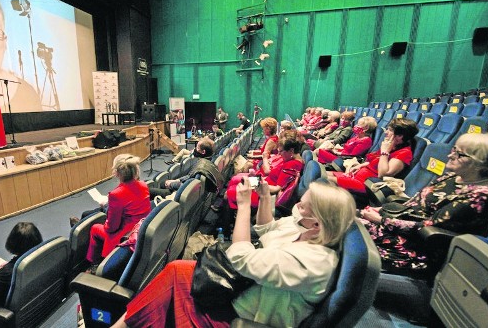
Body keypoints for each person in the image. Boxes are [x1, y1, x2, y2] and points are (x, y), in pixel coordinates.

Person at [110, 180, 356, 328]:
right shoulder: (305, 228)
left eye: (303, 206)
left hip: (244, 319)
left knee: (170, 289)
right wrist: (264, 198)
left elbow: (241, 257)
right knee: (177, 269)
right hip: (244, 294)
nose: (296, 208)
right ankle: (128, 323)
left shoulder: (313, 263)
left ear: (318, 224)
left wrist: (244, 206)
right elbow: (267, 229)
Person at [358, 133, 488, 271]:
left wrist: (382, 220)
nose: (450, 155)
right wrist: (382, 210)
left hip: (413, 245)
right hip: (396, 227)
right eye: (454, 149)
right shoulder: (452, 176)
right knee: (341, 216)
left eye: (459, 154)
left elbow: (426, 228)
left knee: (345, 231)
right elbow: (415, 202)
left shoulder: (479, 197)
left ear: (480, 163)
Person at [85, 154, 151, 265]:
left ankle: (93, 264)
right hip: (140, 229)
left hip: (125, 236)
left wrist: (106, 222)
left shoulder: (116, 194)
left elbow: (111, 228)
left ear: (116, 172)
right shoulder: (143, 185)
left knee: (95, 228)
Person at [326, 118, 418, 194]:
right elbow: (373, 161)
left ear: (400, 136)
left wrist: (385, 152)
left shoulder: (404, 153)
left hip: (366, 185)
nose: (386, 132)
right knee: (321, 173)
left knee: (322, 179)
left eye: (390, 130)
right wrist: (361, 165)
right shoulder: (391, 146)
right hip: (355, 176)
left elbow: (383, 174)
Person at [226, 133, 304, 210]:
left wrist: (254, 184)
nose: (279, 154)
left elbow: (277, 189)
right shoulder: (290, 160)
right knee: (234, 181)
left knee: (229, 192)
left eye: (281, 151)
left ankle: (230, 219)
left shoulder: (293, 164)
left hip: (264, 193)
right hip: (264, 183)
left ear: (291, 150)